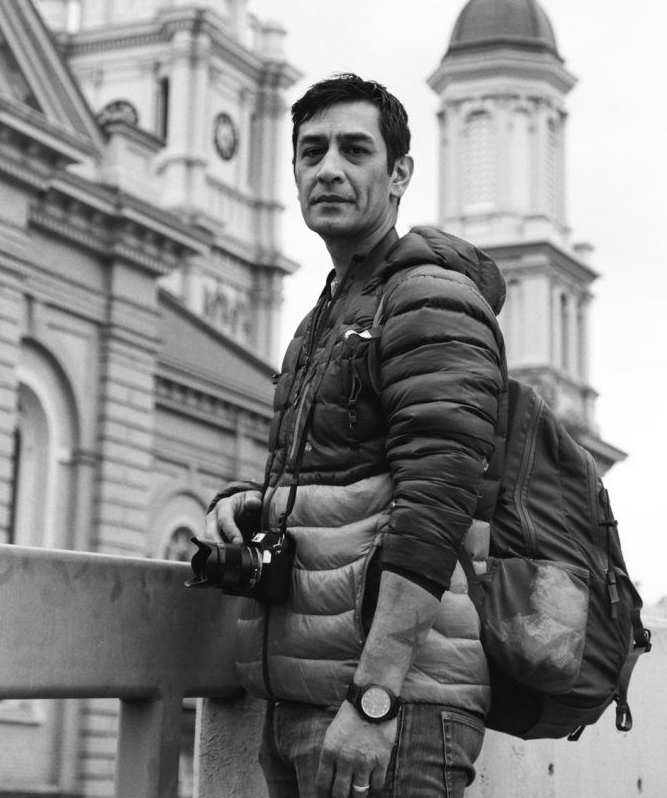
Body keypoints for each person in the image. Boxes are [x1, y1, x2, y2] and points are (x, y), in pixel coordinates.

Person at [205, 73, 507, 798]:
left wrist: (374, 699)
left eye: (354, 150)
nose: (328, 169)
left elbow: (436, 506)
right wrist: (255, 502)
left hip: (390, 711)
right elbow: (349, 484)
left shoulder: (428, 297)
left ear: (399, 173)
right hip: (305, 701)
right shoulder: (327, 316)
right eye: (311, 152)